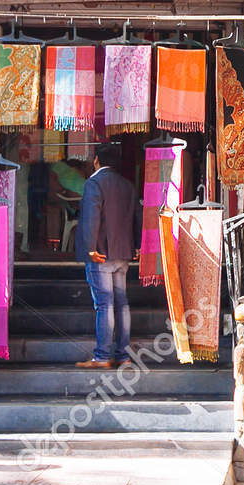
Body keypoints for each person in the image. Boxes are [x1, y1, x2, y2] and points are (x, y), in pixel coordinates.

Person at [75, 143, 137, 369]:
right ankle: (122, 355)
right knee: (121, 303)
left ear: (96, 160)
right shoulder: (127, 185)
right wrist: (136, 245)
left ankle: (101, 356)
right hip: (123, 253)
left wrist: (90, 247)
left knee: (105, 304)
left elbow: (92, 216)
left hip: (100, 252)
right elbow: (135, 216)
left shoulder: (94, 183)